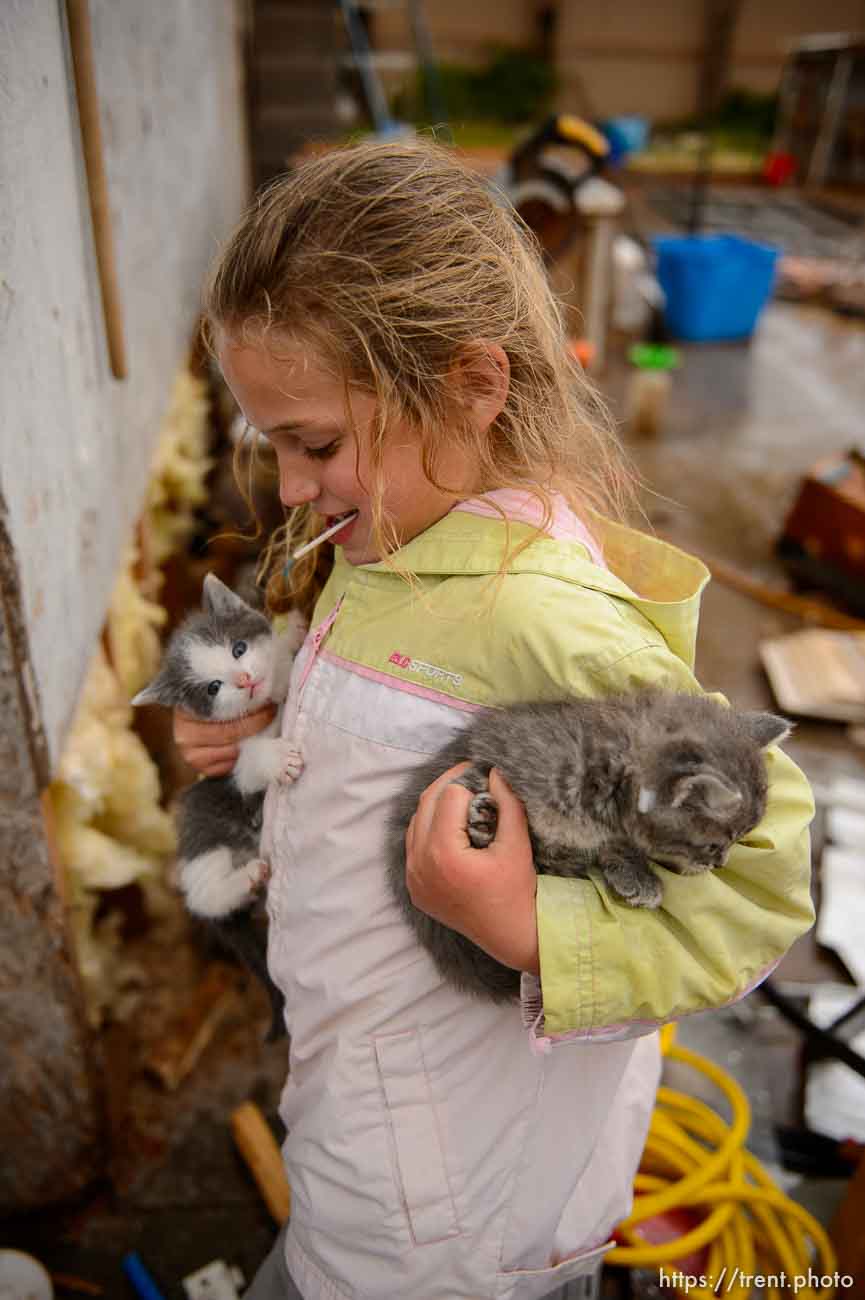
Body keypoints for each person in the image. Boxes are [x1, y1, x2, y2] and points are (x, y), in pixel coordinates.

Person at [174, 139, 815, 1300]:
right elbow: (399, 712)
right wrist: (276, 738)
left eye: (313, 442)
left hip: (454, 1232)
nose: (288, 484)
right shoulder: (394, 542)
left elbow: (763, 886)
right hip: (364, 1137)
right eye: (268, 439)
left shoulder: (542, 618)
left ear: (473, 384)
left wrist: (529, 926)